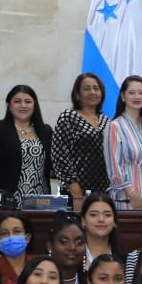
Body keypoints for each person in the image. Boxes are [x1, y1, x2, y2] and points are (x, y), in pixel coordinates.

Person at [52, 72, 110, 209]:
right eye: (86, 88)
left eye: (96, 88)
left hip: (104, 192)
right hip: (75, 193)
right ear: (77, 95)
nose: (92, 92)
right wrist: (76, 192)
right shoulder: (68, 117)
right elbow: (60, 156)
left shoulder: (107, 121)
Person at [0, 84, 53, 205]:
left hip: (40, 199)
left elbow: (52, 165)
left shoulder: (46, 131)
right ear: (9, 105)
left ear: (34, 106)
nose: (23, 105)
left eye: (28, 101)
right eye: (17, 101)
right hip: (8, 199)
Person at [106, 76, 142, 211]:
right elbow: (114, 168)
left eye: (141, 93)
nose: (137, 97)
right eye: (131, 93)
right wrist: (132, 194)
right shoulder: (115, 126)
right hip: (128, 198)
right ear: (123, 96)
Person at [46, 213, 88, 284]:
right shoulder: (39, 282)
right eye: (64, 242)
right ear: (50, 246)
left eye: (79, 242)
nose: (72, 247)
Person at [78, 192, 121, 270]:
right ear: (83, 221)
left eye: (107, 215)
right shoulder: (73, 256)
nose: (101, 219)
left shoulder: (125, 260)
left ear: (114, 221)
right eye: (93, 214)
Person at [0, 212, 32, 284]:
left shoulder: (39, 265)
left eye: (17, 231)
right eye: (4, 233)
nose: (11, 237)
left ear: (27, 238)